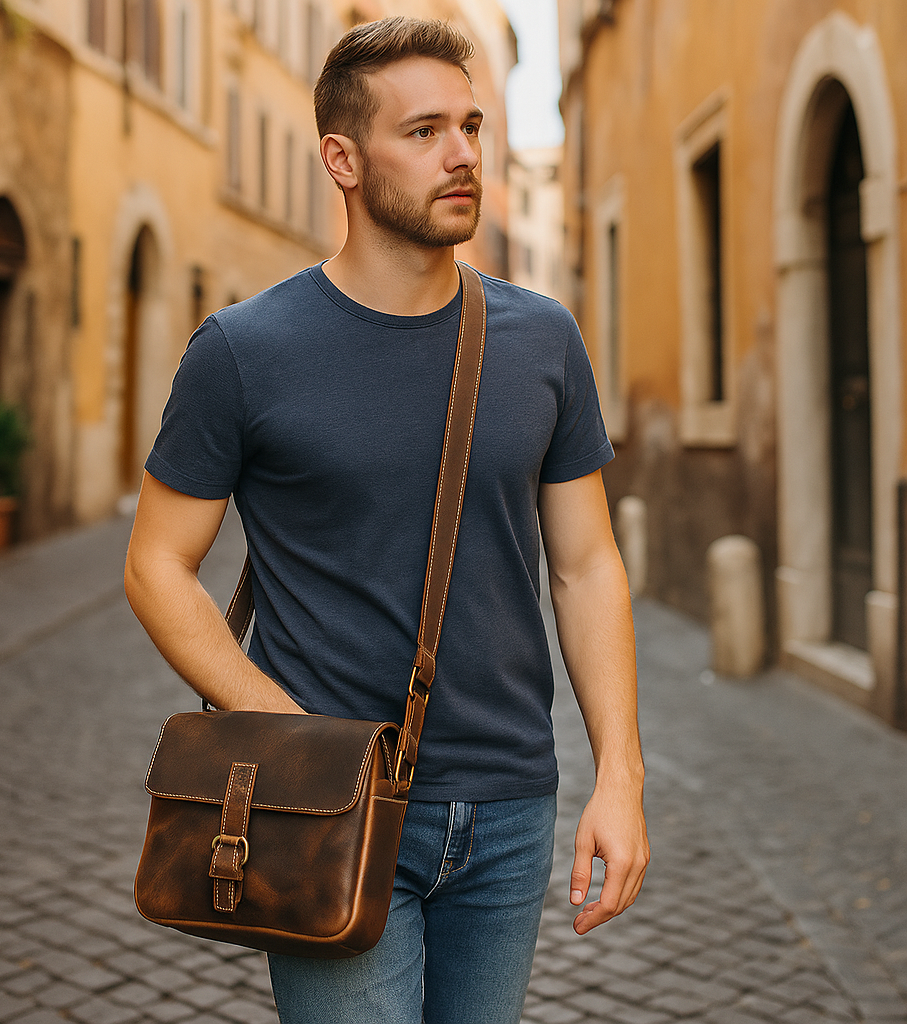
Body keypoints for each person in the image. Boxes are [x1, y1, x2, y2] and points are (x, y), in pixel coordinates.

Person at [124, 16, 648, 1024]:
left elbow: (586, 566)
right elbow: (156, 564)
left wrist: (618, 778)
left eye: (470, 125)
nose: (460, 155)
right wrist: (295, 734)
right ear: (343, 159)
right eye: (421, 131)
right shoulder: (242, 350)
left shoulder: (542, 341)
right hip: (327, 808)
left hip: (508, 805)